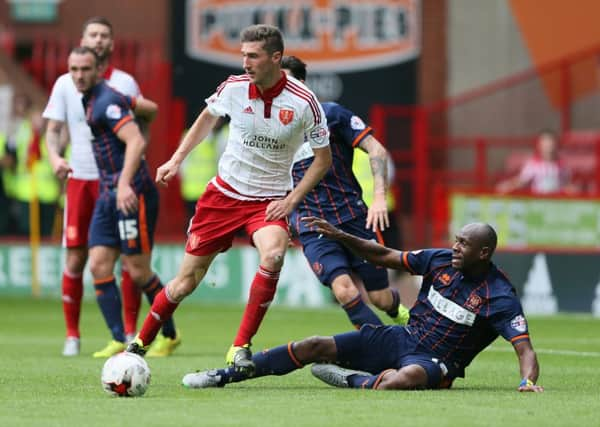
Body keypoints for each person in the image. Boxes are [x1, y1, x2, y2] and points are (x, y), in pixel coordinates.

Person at [127, 24, 332, 374]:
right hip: (223, 197)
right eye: (243, 55)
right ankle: (140, 344)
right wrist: (177, 159)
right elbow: (207, 118)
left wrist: (292, 200)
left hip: (269, 200)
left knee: (275, 254)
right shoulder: (234, 88)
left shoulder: (304, 102)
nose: (246, 62)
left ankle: (240, 347)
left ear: (276, 58)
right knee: (185, 283)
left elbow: (323, 159)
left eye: (253, 56)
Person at [181, 220, 544, 393]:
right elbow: (385, 256)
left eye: (464, 245)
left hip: (437, 362)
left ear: (484, 253)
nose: (455, 248)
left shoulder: (499, 295)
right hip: (401, 339)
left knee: (405, 380)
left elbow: (524, 349)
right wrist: (342, 238)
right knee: (313, 345)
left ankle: (354, 380)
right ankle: (222, 376)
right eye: (456, 241)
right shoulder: (439, 260)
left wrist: (527, 381)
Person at [43, 17, 157, 357]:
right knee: (78, 258)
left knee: (126, 259)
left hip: (116, 182)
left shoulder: (123, 83)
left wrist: (134, 159)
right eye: (92, 34)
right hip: (80, 179)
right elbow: (53, 129)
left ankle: (128, 331)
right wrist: (54, 157)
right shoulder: (66, 83)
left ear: (111, 43)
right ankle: (72, 335)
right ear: (83, 39)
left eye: (104, 35)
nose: (98, 39)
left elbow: (142, 121)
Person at [66, 45, 180, 358]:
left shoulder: (106, 101)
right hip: (108, 194)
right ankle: (118, 338)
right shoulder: (97, 97)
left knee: (138, 270)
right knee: (100, 264)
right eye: (73, 70)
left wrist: (126, 183)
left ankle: (169, 335)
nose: (78, 75)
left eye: (85, 69)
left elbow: (135, 140)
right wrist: (145, 118)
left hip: (131, 193)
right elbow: (149, 107)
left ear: (97, 71)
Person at [281, 55, 409, 328]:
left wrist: (378, 198)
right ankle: (378, 344)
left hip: (354, 219)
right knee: (344, 290)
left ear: (302, 84)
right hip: (313, 225)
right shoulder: (271, 131)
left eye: (288, 83)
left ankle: (399, 311)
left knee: (380, 298)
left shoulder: (331, 114)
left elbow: (377, 149)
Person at [496, 129, 578, 195]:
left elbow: (565, 183)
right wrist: (508, 185)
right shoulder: (532, 164)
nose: (548, 145)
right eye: (545, 142)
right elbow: (521, 181)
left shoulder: (562, 164)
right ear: (540, 145)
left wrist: (572, 189)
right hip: (539, 203)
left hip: (556, 204)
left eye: (551, 142)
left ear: (556, 144)